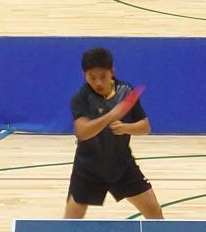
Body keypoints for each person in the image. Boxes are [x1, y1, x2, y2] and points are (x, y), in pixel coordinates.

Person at [65, 48, 163, 219]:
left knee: (154, 212)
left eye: (102, 76)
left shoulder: (125, 91)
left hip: (121, 166)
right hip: (88, 169)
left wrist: (125, 128)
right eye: (92, 77)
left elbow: (145, 127)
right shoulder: (81, 98)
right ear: (84, 75)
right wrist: (111, 115)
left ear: (112, 72)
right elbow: (82, 132)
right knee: (70, 222)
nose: (98, 83)